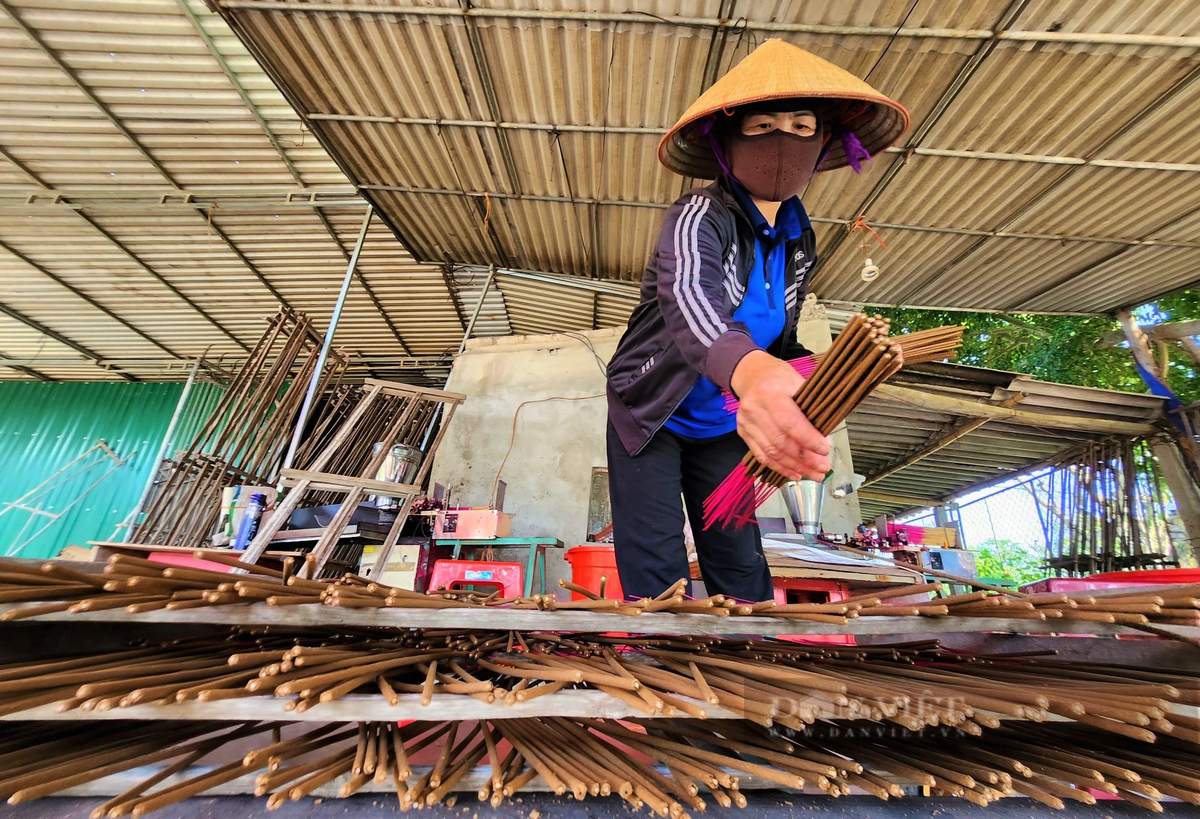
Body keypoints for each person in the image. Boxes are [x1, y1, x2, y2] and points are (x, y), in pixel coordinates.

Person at [605, 40, 910, 602]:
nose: (783, 141)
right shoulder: (699, 214)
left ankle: (746, 646)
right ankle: (659, 650)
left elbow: (783, 340)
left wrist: (838, 369)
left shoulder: (798, 241)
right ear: (727, 144)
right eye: (763, 126)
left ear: (822, 143)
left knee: (739, 558)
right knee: (657, 564)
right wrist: (754, 374)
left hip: (726, 421)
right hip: (652, 409)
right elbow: (690, 297)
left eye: (801, 127)